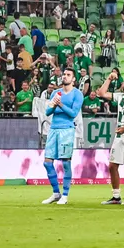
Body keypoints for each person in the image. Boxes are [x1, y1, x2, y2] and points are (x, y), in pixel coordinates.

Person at [40, 67, 84, 205]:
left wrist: (60, 104)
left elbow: (73, 113)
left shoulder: (77, 94)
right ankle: (56, 193)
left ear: (74, 79)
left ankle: (65, 195)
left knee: (65, 162)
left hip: (67, 130)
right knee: (47, 162)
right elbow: (48, 111)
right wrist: (54, 105)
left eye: (68, 75)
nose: (65, 76)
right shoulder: (55, 92)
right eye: (64, 74)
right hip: (53, 129)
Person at [96, 68, 124, 205]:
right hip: (119, 137)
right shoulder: (121, 97)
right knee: (112, 166)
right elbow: (101, 93)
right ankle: (116, 196)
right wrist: (109, 78)